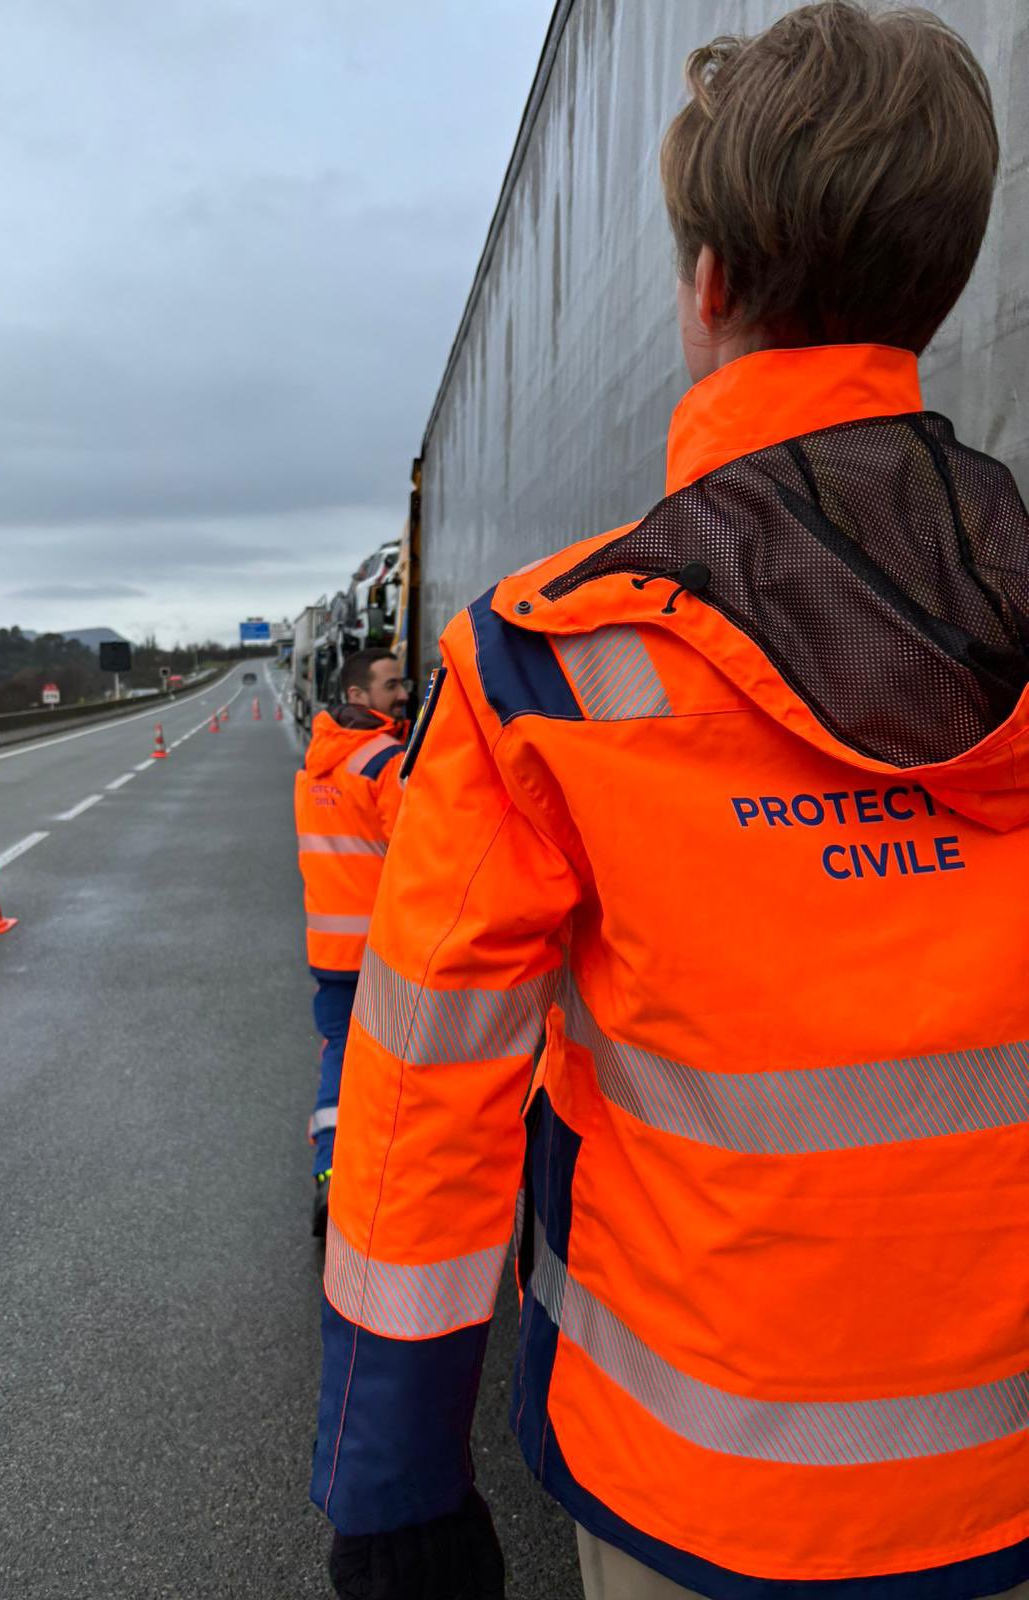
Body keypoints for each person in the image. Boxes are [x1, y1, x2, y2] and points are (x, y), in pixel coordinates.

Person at [312, 5, 1029, 1599]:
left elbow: (430, 1103)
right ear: (942, 280)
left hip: (691, 1500)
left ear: (706, 288)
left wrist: (394, 1482)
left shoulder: (546, 666)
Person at [294, 647, 409, 1237]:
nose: (404, 692)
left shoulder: (315, 763)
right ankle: (385, 1187)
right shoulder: (385, 761)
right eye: (391, 685)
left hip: (329, 952)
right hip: (384, 950)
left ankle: (330, 1174)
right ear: (359, 696)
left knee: (338, 1063)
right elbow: (417, 854)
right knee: (395, 1068)